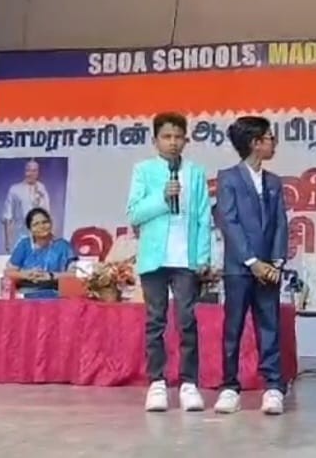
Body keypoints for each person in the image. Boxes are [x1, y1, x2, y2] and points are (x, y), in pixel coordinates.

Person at [126, 112, 212, 413]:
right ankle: (157, 383)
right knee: (155, 321)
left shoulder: (195, 173)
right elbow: (134, 214)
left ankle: (189, 384)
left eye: (178, 137)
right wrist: (163, 198)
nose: (173, 142)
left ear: (186, 140)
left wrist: (203, 257)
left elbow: (204, 217)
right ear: (155, 140)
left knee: (187, 320)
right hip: (154, 257)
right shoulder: (143, 170)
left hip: (185, 258)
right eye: (166, 137)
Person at [212, 116, 289, 416]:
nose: (274, 143)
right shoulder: (228, 178)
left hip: (269, 269)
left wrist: (276, 262)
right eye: (270, 138)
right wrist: (252, 261)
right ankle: (230, 387)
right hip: (240, 268)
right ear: (255, 143)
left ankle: (273, 387)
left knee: (269, 326)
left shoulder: (274, 181)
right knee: (233, 328)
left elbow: (280, 223)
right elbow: (228, 222)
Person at [4, 208, 76, 297]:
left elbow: (74, 274)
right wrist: (27, 275)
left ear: (51, 223)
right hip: (26, 294)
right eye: (36, 224)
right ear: (30, 229)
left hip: (56, 294)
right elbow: (9, 272)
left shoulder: (63, 245)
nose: (41, 226)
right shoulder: (24, 245)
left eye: (45, 222)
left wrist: (51, 276)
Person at [2, 159, 51, 253]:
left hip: (39, 240)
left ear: (38, 172)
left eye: (34, 171)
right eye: (28, 170)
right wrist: (8, 243)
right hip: (20, 237)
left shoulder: (42, 188)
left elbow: (47, 215)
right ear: (25, 171)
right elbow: (7, 218)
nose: (31, 174)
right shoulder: (15, 190)